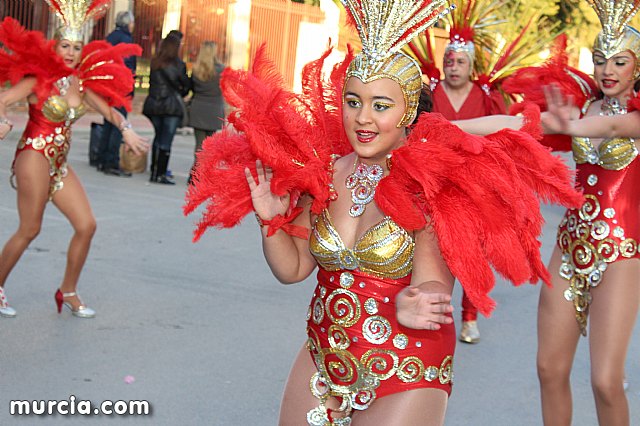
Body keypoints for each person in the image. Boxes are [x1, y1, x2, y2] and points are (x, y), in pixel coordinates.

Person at [184, 1, 581, 424]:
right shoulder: (323, 173)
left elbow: (434, 280)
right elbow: (294, 268)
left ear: (407, 111)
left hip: (407, 361)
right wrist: (269, 222)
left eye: (380, 105)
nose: (363, 118)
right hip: (325, 352)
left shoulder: (425, 181)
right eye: (354, 101)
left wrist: (418, 301)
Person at [454, 2, 640, 422]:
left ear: (637, 66)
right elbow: (514, 123)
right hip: (570, 250)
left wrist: (570, 127)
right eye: (599, 59)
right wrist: (444, 128)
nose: (607, 69)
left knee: (606, 382)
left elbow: (613, 129)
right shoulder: (580, 110)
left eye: (620, 60)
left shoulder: (633, 118)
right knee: (548, 369)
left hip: (622, 257)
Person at [0, 0, 148, 319]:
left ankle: (67, 290)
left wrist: (126, 130)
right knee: (30, 229)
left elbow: (109, 110)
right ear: (56, 45)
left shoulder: (79, 82)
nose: (70, 52)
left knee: (86, 225)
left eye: (76, 46)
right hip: (34, 155)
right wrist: (2, 121)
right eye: (65, 45)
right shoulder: (38, 78)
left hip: (60, 163)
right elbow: (3, 99)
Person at [430, 14, 506, 345]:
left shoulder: (485, 97)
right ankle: (434, 309)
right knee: (435, 250)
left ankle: (470, 317)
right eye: (449, 60)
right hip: (435, 182)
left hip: (475, 186)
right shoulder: (430, 93)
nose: (454, 66)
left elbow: (502, 137)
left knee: (473, 254)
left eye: (460, 61)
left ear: (470, 65)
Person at [142, 33, 191, 185]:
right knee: (166, 140)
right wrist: (180, 92)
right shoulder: (178, 65)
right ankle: (161, 173)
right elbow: (186, 86)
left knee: (158, 137)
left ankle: (154, 171)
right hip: (170, 106)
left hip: (154, 104)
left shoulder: (155, 62)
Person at [95, 10, 137, 177]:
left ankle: (101, 158)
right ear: (128, 23)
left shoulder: (110, 37)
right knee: (118, 123)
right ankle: (111, 161)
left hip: (108, 85)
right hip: (120, 87)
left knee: (108, 120)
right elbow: (127, 67)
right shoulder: (126, 40)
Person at [188, 41, 225, 184]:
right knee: (211, 146)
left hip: (198, 108)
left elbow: (192, 89)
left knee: (199, 144)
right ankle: (204, 175)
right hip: (214, 109)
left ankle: (194, 174)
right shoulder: (221, 70)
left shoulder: (196, 69)